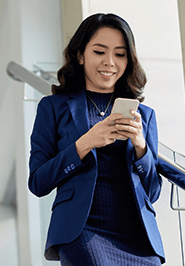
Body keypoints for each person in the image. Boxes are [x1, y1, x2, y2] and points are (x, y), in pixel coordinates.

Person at [28, 13, 165, 265]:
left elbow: (153, 191)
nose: (110, 62)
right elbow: (38, 181)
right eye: (99, 52)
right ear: (80, 56)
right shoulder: (53, 107)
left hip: (138, 237)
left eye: (120, 54)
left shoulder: (144, 116)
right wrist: (85, 143)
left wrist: (140, 146)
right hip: (82, 231)